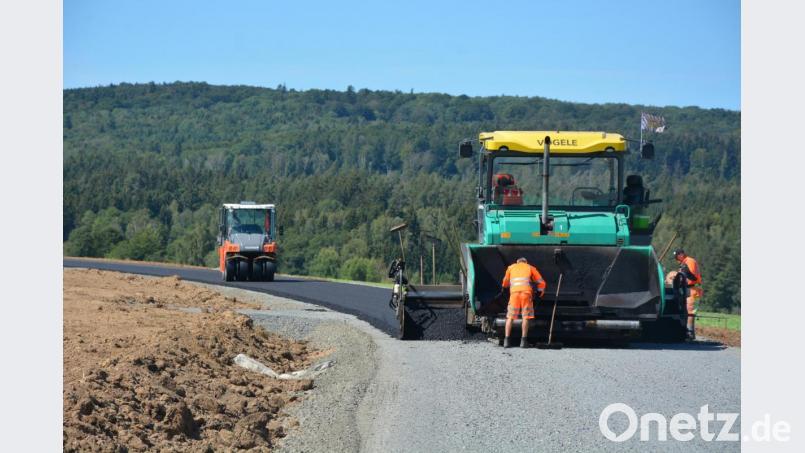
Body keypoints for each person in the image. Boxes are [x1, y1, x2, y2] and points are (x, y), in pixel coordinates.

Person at [500, 257, 546, 348]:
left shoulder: (511, 267)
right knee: (526, 317)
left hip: (514, 294)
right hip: (526, 294)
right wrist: (540, 293)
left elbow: (505, 282)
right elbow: (542, 282)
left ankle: (506, 341)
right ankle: (523, 341)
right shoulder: (530, 268)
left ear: (517, 262)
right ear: (526, 262)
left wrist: (504, 289)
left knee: (510, 317)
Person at [674, 248, 702, 339]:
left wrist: (684, 274)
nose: (676, 259)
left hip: (693, 289)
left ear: (681, 254)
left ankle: (690, 333)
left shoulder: (690, 261)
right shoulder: (684, 263)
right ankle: (687, 332)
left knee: (690, 312)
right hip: (688, 288)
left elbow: (693, 277)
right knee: (687, 311)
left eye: (677, 257)